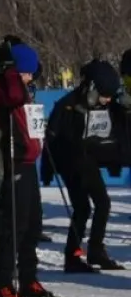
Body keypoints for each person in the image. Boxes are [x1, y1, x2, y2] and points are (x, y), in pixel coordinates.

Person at [0, 41, 51, 297]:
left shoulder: (22, 87)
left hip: (28, 162)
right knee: (15, 225)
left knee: (33, 224)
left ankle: (28, 278)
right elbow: (13, 98)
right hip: (13, 162)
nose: (28, 78)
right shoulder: (2, 88)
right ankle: (3, 282)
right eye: (24, 72)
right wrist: (12, 72)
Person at [45, 59, 126, 272]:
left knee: (95, 206)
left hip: (88, 161)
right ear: (91, 87)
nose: (107, 100)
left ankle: (89, 251)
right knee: (87, 207)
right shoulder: (68, 105)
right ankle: (77, 254)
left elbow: (120, 131)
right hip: (70, 162)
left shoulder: (107, 106)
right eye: (104, 94)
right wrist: (47, 167)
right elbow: (51, 137)